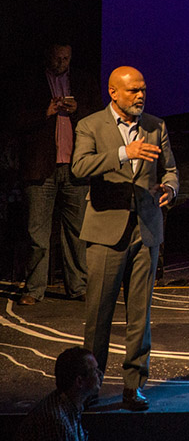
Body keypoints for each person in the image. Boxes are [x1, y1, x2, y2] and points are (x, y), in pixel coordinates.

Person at [72, 66, 178, 411]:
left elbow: (171, 170)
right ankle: (90, 385)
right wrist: (124, 153)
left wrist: (170, 189)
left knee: (140, 315)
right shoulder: (90, 125)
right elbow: (79, 167)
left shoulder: (156, 126)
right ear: (113, 92)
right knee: (99, 315)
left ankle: (134, 386)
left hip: (146, 229)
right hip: (106, 229)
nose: (140, 96)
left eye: (143, 89)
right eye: (133, 91)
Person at [16, 43, 100, 306]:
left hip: (75, 168)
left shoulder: (83, 82)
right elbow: (13, 119)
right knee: (37, 234)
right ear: (47, 56)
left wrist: (78, 112)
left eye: (66, 58)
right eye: (57, 57)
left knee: (77, 233)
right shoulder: (31, 83)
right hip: (42, 168)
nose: (62, 62)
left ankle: (78, 287)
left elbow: (98, 119)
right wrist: (46, 112)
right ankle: (34, 288)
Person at [16, 346, 102, 441]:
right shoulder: (57, 422)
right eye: (94, 371)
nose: (100, 374)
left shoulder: (71, 405)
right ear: (79, 381)